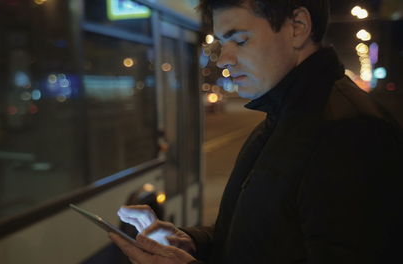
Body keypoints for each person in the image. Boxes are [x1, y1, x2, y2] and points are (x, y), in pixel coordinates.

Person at [108, 0, 403, 263]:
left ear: (297, 27)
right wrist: (191, 242)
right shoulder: (279, 120)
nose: (223, 59)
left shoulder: (352, 133)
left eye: (240, 40)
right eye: (222, 43)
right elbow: (258, 238)